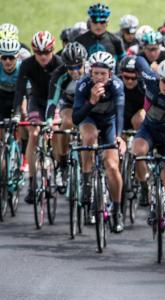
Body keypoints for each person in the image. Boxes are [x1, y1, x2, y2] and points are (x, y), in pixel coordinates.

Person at [132, 57, 165, 247]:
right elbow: (138, 60)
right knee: (138, 152)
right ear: (159, 77)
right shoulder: (150, 78)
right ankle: (144, 187)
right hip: (149, 130)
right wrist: (151, 64)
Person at [72, 52, 125, 232]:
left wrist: (118, 136)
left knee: (111, 165)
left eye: (103, 73)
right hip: (89, 120)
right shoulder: (83, 85)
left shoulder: (117, 85)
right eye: (96, 73)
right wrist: (92, 101)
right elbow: (76, 118)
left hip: (110, 123)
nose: (99, 77)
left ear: (110, 74)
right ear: (90, 72)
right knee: (89, 137)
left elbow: (119, 112)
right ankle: (87, 180)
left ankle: (117, 211)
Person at [13, 31, 63, 204]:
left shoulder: (59, 63)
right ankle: (33, 184)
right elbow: (20, 90)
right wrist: (16, 113)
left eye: (47, 52)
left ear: (52, 50)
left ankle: (59, 169)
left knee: (57, 132)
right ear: (34, 51)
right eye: (39, 53)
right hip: (36, 101)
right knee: (34, 135)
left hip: (55, 102)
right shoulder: (27, 64)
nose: (43, 56)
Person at [46, 42, 89, 188]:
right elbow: (52, 100)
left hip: (88, 104)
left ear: (85, 62)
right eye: (70, 67)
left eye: (78, 66)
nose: (75, 71)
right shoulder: (59, 74)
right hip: (69, 104)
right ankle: (62, 163)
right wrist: (49, 119)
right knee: (67, 124)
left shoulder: (92, 71)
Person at [0, 38, 22, 122]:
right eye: (4, 58)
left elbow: (27, 93)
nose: (7, 61)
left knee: (23, 114)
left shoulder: (22, 68)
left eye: (11, 57)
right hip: (2, 96)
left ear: (17, 57)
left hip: (18, 96)